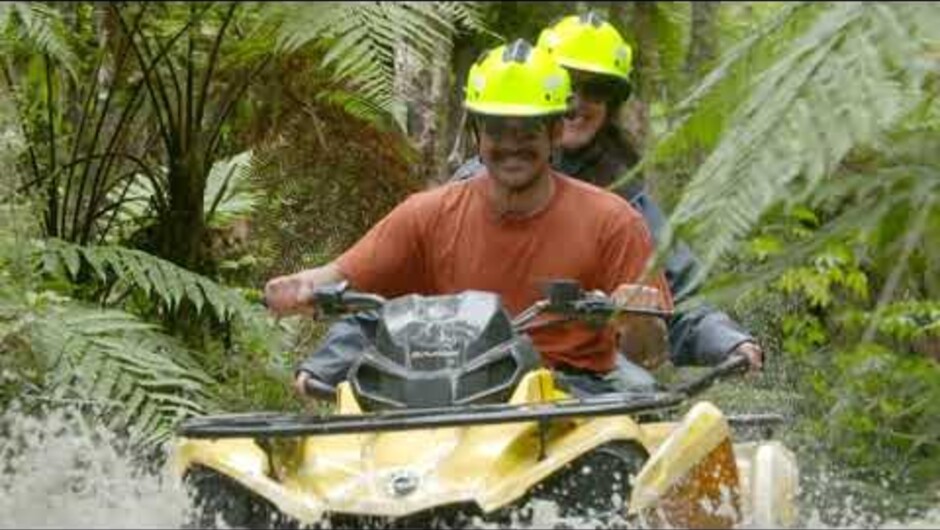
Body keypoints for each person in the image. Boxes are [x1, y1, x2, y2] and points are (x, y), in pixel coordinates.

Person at [265, 39, 674, 399]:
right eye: (497, 130)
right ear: (477, 135)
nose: (511, 145)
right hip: (450, 395)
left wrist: (638, 318)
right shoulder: (426, 215)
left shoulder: (614, 220)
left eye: (527, 131)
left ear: (553, 134)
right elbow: (341, 276)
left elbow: (649, 353)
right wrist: (301, 287)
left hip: (574, 399)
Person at [454, 12, 764, 371]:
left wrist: (729, 341)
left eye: (595, 91)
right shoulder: (471, 185)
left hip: (587, 391)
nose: (576, 103)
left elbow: (682, 303)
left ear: (612, 106)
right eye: (567, 86)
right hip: (475, 381)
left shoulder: (628, 203)